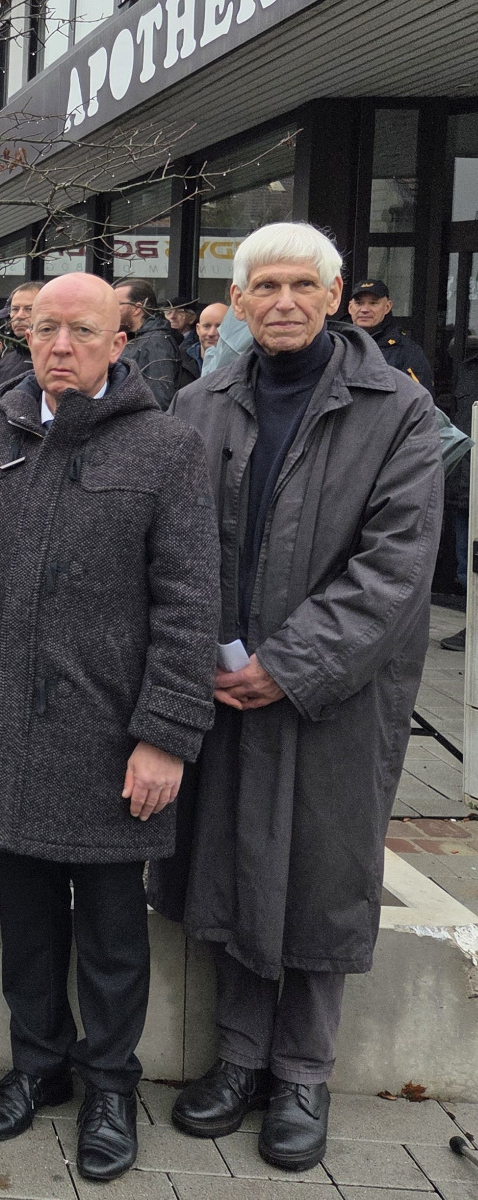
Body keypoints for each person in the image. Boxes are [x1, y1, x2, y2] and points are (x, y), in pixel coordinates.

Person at [154, 223, 443, 1172]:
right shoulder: (198, 404)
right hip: (223, 682)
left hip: (334, 693)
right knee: (236, 859)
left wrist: (290, 663)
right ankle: (238, 1059)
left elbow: (395, 570)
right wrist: (198, 655)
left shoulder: (396, 410)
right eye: (263, 286)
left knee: (320, 873)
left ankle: (304, 1072)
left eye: (301, 285)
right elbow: (172, 547)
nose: (282, 301)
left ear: (334, 296)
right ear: (237, 303)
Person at [0, 272, 219, 1180]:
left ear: (118, 339)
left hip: (112, 737)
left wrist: (167, 734)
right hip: (9, 723)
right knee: (25, 918)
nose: (60, 346)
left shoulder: (166, 449)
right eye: (45, 328)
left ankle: (109, 1085)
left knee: (109, 929)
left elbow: (189, 602)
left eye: (81, 332)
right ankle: (38, 1066)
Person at [115, 278, 199, 408]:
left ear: (137, 308)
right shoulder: (139, 339)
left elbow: (159, 400)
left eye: (117, 304)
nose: (111, 310)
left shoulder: (155, 344)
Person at [347, 278, 433, 384]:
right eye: (359, 303)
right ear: (350, 307)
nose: (364, 309)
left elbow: (420, 397)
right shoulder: (337, 343)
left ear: (387, 307)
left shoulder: (406, 352)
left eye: (373, 303)